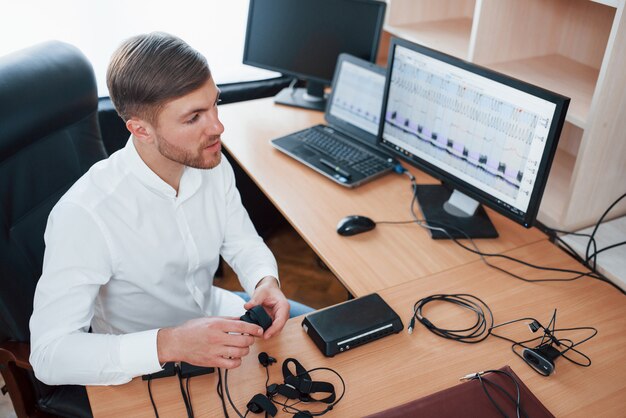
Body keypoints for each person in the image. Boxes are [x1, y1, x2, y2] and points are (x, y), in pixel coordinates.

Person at [29, 32, 310, 386]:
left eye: (214, 105)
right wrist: (171, 343)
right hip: (143, 362)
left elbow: (241, 241)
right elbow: (49, 356)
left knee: (326, 347)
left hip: (221, 312)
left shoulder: (211, 163)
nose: (218, 127)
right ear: (140, 130)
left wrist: (264, 281)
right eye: (194, 117)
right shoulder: (85, 214)